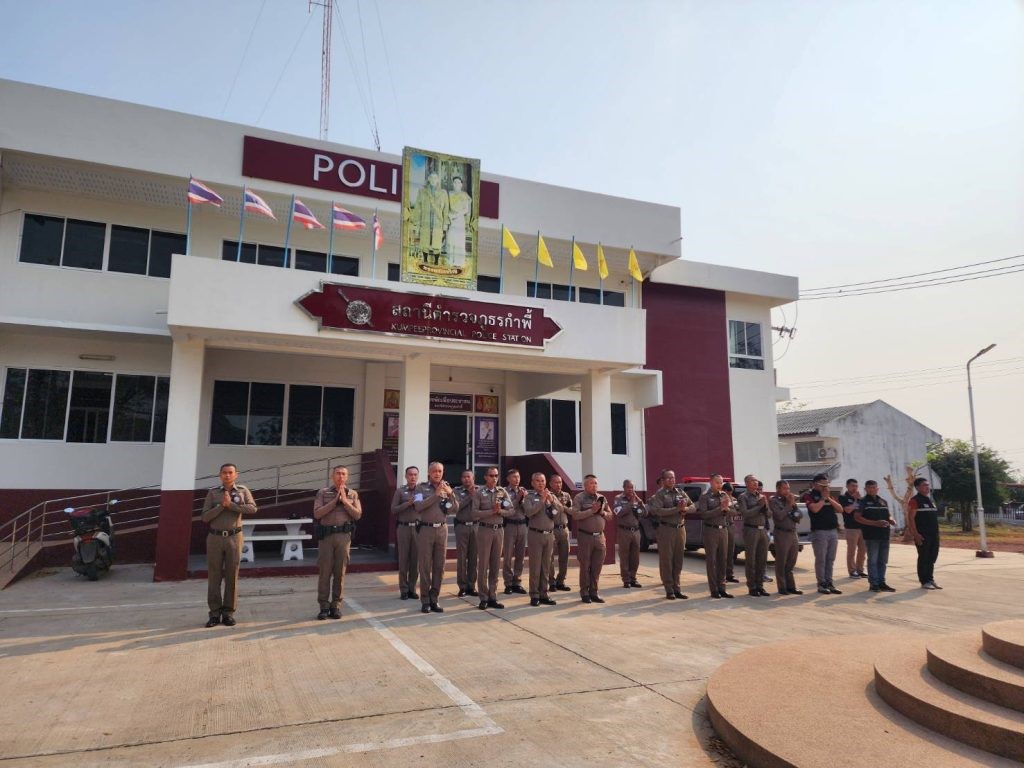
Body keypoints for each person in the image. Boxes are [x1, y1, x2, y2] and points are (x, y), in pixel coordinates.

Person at [201, 463, 256, 627]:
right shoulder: (213, 493)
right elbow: (205, 517)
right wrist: (221, 506)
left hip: (234, 537)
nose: (227, 475)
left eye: (230, 472)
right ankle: (214, 614)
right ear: (220, 475)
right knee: (214, 576)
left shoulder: (242, 491)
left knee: (232, 575)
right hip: (215, 538)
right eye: (224, 473)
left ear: (236, 474)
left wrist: (231, 505)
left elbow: (252, 509)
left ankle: (228, 613)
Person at [313, 466, 362, 620]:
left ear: (347, 477)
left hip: (343, 537)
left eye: (343, 474)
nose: (341, 476)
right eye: (338, 473)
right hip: (326, 537)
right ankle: (323, 606)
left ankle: (336, 606)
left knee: (340, 572)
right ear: (332, 476)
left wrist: (345, 502)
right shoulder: (323, 493)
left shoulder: (352, 494)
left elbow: (358, 515)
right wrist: (334, 502)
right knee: (325, 572)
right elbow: (317, 513)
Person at [645, 470, 694, 599]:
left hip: (680, 529)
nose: (671, 480)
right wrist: (676, 509)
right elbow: (657, 511)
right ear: (663, 480)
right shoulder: (660, 495)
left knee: (678, 560)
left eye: (673, 477)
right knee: (667, 560)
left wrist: (685, 509)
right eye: (668, 478)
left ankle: (677, 588)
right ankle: (669, 589)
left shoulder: (680, 492)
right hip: (666, 530)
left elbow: (693, 506)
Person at [413, 462, 453, 614]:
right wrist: (435, 495)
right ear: (429, 473)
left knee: (439, 566)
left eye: (440, 471)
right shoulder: (420, 488)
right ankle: (425, 600)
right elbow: (418, 506)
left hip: (442, 529)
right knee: (425, 566)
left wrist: (450, 494)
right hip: (426, 530)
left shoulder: (446, 487)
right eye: (434, 471)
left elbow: (455, 508)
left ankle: (434, 599)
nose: (437, 473)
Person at [472, 467, 515, 609]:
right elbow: (474, 512)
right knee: (483, 565)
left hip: (499, 530)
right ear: (485, 477)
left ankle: (492, 596)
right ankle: (483, 597)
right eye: (491, 475)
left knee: (496, 564)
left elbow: (511, 510)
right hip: (485, 530)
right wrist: (491, 511)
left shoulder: (502, 492)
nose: (494, 478)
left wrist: (500, 511)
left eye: (496, 475)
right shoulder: (479, 492)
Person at [570, 474, 612, 603]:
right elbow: (575, 515)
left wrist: (602, 512)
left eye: (596, 483)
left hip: (600, 537)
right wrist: (591, 511)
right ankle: (584, 593)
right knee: (585, 566)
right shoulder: (579, 498)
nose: (594, 486)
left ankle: (594, 592)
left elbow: (610, 516)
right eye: (591, 483)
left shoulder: (602, 498)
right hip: (585, 537)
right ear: (585, 485)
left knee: (597, 566)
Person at [523, 472, 563, 606]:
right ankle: (534, 595)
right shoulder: (529, 497)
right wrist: (542, 501)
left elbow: (558, 512)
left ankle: (544, 594)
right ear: (532, 483)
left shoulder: (551, 496)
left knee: (546, 566)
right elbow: (529, 512)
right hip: (536, 534)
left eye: (542, 481)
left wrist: (551, 502)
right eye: (538, 481)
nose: (541, 483)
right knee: (535, 566)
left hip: (549, 535)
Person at [803, 474, 844, 594]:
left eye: (827, 484)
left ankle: (829, 583)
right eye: (823, 485)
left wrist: (828, 498)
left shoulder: (828, 495)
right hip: (819, 531)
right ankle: (821, 584)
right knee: (821, 559)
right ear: (815, 484)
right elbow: (814, 509)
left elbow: (840, 509)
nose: (825, 487)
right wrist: (822, 499)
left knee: (830, 559)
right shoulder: (809, 495)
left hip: (832, 531)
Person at [697, 474, 736, 598]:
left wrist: (727, 509)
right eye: (717, 482)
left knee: (723, 560)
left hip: (723, 530)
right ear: (711, 482)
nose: (719, 485)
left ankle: (722, 588)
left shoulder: (724, 495)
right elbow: (704, 514)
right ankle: (714, 589)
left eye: (721, 482)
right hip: (711, 530)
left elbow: (734, 512)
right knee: (712, 561)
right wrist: (720, 509)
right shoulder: (705, 496)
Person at [854, 480, 896, 592]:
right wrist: (875, 523)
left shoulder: (883, 501)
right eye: (869, 488)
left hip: (884, 534)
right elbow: (857, 517)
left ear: (877, 489)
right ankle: (874, 583)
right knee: (873, 560)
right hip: (871, 535)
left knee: (883, 561)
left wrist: (891, 520)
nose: (872, 489)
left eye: (874, 487)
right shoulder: (862, 502)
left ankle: (882, 582)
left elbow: (888, 515)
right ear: (865, 489)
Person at [906, 477, 942, 590]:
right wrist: (915, 534)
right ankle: (924, 581)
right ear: (917, 487)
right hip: (922, 535)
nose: (927, 487)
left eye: (927, 485)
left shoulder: (930, 500)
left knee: (932, 557)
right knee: (924, 557)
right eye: (924, 485)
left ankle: (930, 579)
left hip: (934, 534)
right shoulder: (915, 500)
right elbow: (910, 518)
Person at [390, 466, 420, 600]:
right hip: (404, 528)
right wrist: (407, 504)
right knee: (403, 560)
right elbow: (393, 509)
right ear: (406, 476)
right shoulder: (400, 491)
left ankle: (412, 589)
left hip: (418, 528)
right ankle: (403, 589)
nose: (413, 477)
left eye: (415, 474)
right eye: (410, 474)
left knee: (415, 560)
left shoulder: (421, 490)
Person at [737, 474, 770, 597]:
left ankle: (760, 586)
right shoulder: (743, 497)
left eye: (756, 480)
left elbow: (769, 514)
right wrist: (759, 506)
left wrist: (765, 506)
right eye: (752, 480)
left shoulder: (761, 496)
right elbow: (745, 513)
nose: (755, 482)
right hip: (751, 529)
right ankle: (752, 587)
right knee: (751, 559)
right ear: (747, 483)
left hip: (763, 530)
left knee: (762, 559)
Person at [769, 481, 803, 595]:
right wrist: (789, 504)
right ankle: (782, 587)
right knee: (781, 561)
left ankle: (791, 586)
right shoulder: (774, 500)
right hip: (781, 533)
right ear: (778, 489)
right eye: (784, 488)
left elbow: (799, 516)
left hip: (793, 533)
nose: (787, 491)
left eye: (788, 488)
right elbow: (779, 516)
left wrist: (793, 505)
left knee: (791, 561)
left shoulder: (790, 500)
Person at [614, 480, 646, 590]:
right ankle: (626, 580)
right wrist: (631, 503)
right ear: (623, 487)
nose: (631, 489)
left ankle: (633, 578)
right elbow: (618, 512)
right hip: (624, 531)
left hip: (636, 531)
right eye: (628, 487)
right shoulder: (618, 498)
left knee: (635, 557)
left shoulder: (636, 499)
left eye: (632, 487)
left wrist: (641, 504)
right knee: (624, 556)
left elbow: (644, 513)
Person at [453, 469, 479, 598]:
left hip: (476, 526)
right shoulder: (456, 491)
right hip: (462, 526)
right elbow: (456, 507)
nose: (466, 479)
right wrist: (470, 496)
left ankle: (471, 586)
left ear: (473, 478)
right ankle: (462, 587)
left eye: (469, 477)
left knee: (474, 558)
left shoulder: (480, 490)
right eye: (464, 477)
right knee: (462, 558)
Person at [413, 170, 449, 264]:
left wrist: (445, 223)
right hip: (426, 219)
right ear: (429, 179)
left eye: (435, 178)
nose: (433, 180)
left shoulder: (443, 193)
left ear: (438, 180)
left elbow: (446, 209)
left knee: (437, 241)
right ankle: (425, 260)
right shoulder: (422, 191)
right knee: (425, 240)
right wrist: (417, 221)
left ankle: (436, 261)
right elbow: (418, 207)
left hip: (438, 221)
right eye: (431, 178)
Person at [502, 468, 528, 595]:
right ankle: (508, 583)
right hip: (510, 525)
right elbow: (507, 506)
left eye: (518, 477)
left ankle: (517, 582)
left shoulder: (523, 491)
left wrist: (524, 499)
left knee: (520, 556)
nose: (516, 479)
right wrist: (518, 499)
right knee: (507, 555)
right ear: (508, 479)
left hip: (522, 525)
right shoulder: (504, 492)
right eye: (514, 477)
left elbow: (527, 509)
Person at [548, 474, 573, 592]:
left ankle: (561, 581)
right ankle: (551, 582)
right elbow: (547, 511)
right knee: (550, 558)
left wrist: (564, 507)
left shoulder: (566, 495)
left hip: (564, 529)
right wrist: (558, 506)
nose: (559, 485)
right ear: (550, 483)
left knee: (564, 556)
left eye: (560, 482)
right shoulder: (548, 495)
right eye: (556, 482)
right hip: (552, 529)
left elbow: (571, 510)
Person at [838, 478, 867, 580]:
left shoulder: (861, 499)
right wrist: (855, 500)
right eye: (852, 486)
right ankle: (852, 571)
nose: (855, 488)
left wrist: (859, 500)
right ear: (847, 486)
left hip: (862, 527)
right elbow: (848, 510)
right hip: (851, 528)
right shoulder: (843, 497)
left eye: (856, 486)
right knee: (852, 550)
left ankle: (860, 570)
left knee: (863, 551)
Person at [445, 175, 472, 268]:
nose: (456, 184)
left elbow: (466, 209)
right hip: (451, 219)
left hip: (460, 219)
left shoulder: (464, 195)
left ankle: (458, 262)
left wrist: (456, 215)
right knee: (451, 239)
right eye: (455, 182)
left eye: (458, 182)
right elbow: (446, 206)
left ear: (461, 184)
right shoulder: (449, 194)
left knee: (459, 241)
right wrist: (450, 215)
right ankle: (450, 261)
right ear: (453, 184)